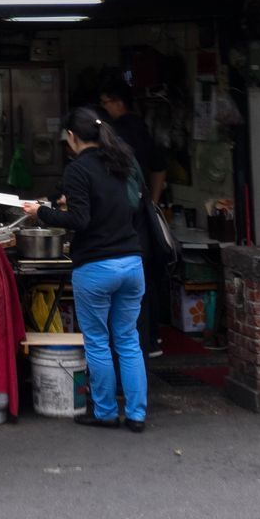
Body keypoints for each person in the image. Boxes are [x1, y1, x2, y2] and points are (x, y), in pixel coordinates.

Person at [23, 106, 148, 432]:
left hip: (97, 266)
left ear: (71, 137)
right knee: (128, 340)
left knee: (97, 341)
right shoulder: (119, 161)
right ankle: (136, 414)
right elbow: (117, 205)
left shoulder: (78, 169)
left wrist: (42, 212)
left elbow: (80, 221)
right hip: (132, 262)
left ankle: (106, 412)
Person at [99, 78, 170, 357]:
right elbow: (160, 166)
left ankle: (143, 342)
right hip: (143, 218)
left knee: (134, 291)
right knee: (146, 279)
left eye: (105, 102)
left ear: (118, 102)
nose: (103, 109)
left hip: (129, 225)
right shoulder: (141, 128)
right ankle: (152, 339)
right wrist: (152, 201)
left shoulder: (119, 134)